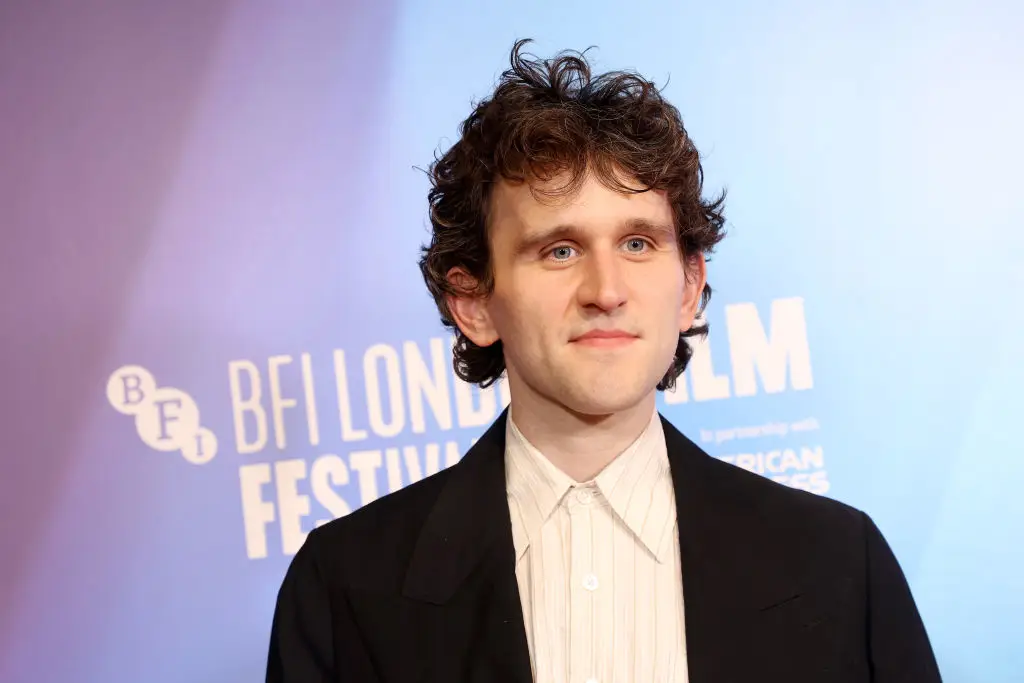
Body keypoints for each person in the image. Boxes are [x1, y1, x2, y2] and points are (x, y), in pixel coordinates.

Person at [266, 39, 941, 683]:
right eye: (559, 249)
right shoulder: (344, 589)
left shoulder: (839, 565)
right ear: (474, 302)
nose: (607, 290)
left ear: (688, 286)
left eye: (639, 243)